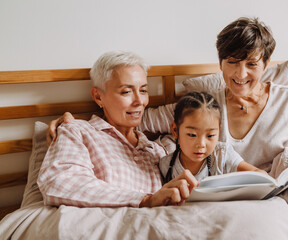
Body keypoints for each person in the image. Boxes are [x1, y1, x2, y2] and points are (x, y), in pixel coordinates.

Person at [48, 17, 288, 180]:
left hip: (282, 189)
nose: (241, 73)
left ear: (266, 65)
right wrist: (75, 122)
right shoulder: (203, 103)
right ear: (221, 62)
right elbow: (137, 116)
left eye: (252, 63)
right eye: (232, 61)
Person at [37, 51, 198, 208]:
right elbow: (61, 182)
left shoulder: (157, 151)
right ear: (98, 97)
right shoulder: (77, 131)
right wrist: (145, 200)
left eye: (143, 90)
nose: (139, 101)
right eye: (126, 91)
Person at [160, 91, 266, 183]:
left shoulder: (222, 155)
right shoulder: (166, 166)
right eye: (192, 135)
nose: (201, 144)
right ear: (175, 130)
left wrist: (263, 177)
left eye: (210, 135)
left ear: (219, 131)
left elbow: (257, 174)